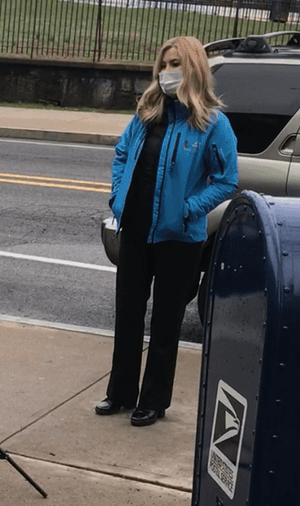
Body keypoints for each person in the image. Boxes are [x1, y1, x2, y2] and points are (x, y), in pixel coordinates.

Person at [96, 35, 238, 427]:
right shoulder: (147, 113)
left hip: (180, 238)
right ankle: (120, 393)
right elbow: (122, 154)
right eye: (164, 64)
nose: (167, 71)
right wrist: (118, 198)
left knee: (165, 321)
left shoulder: (211, 123)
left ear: (193, 69)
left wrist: (187, 209)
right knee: (127, 315)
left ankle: (154, 400)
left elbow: (226, 180)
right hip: (136, 229)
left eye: (176, 64)